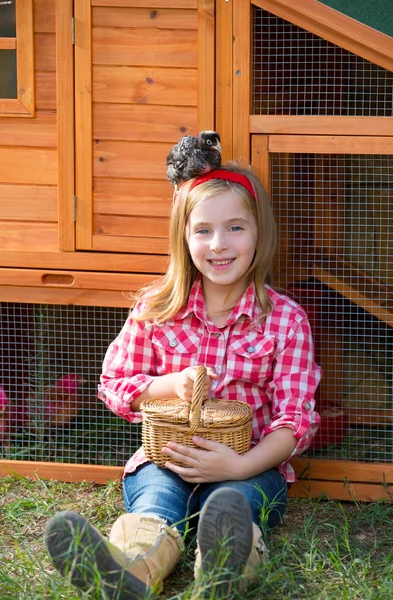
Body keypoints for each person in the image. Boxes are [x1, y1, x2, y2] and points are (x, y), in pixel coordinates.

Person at [44, 162, 322, 600]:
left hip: (250, 463)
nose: (218, 244)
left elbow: (295, 419)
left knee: (234, 506)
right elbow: (114, 382)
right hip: (166, 457)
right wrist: (170, 383)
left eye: (235, 228)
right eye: (203, 231)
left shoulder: (285, 320)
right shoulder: (157, 308)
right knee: (156, 502)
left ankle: (224, 571)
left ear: (259, 233)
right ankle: (129, 569)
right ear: (184, 236)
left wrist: (239, 466)